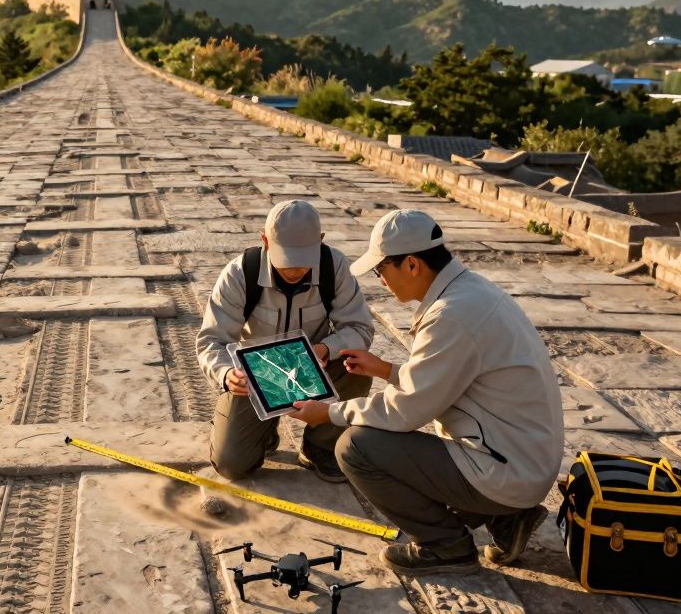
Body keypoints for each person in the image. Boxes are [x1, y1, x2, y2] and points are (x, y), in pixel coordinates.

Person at [286, 209, 564, 576]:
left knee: (355, 447)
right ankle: (507, 518)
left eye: (381, 270)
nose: (381, 281)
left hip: (507, 469)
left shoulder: (451, 316)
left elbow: (405, 413)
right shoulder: (471, 291)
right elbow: (445, 379)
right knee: (398, 443)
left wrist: (331, 413)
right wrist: (385, 369)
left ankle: (446, 546)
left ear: (412, 265)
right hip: (522, 458)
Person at [197, 200, 375, 483]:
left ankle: (320, 445)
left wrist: (324, 348)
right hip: (257, 379)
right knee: (231, 465)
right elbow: (212, 341)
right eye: (286, 259)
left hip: (315, 368)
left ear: (320, 241)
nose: (295, 270)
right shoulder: (241, 272)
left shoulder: (335, 267)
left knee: (358, 362)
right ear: (264, 240)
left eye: (304, 259)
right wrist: (227, 374)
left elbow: (359, 328)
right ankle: (263, 431)